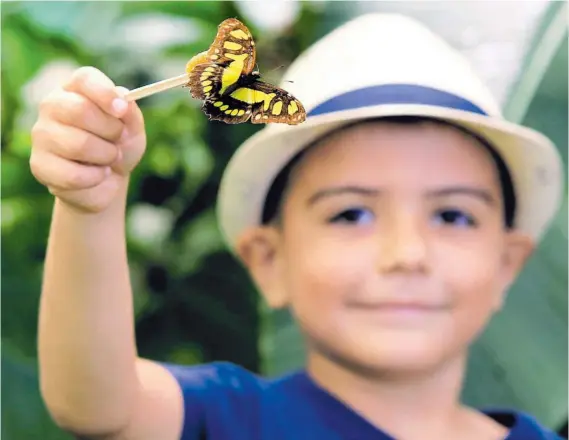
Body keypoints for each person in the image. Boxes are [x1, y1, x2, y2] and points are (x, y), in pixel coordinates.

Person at [30, 13, 564, 440]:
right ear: (268, 258)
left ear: (507, 263)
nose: (407, 253)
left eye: (452, 215)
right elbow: (95, 403)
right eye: (351, 213)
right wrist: (89, 205)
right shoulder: (229, 418)